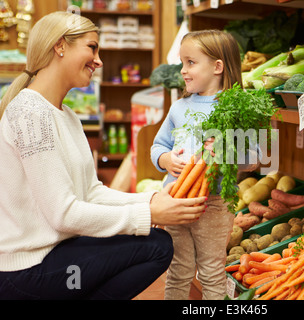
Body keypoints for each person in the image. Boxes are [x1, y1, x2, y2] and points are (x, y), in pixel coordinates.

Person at [0, 11, 206, 300]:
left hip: (56, 254)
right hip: (27, 271)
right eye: (92, 47)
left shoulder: (65, 115)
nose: (99, 61)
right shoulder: (30, 114)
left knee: (157, 242)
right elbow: (64, 214)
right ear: (60, 46)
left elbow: (91, 192)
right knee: (156, 246)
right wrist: (148, 214)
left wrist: (151, 200)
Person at [151, 30, 259, 300]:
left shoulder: (236, 106)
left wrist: (227, 152)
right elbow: (158, 146)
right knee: (178, 270)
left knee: (212, 271)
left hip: (215, 203)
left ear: (217, 67)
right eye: (182, 63)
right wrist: (165, 160)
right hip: (177, 201)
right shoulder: (179, 108)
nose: (183, 71)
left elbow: (256, 157)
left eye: (190, 62)